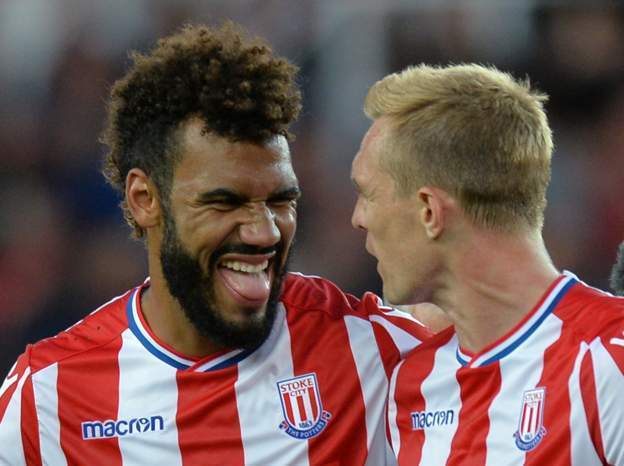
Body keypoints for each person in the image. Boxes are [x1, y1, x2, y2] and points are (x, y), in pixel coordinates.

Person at [0, 23, 432, 465]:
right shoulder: (48, 399)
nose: (264, 232)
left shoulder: (373, 351)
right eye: (225, 202)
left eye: (280, 201)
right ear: (145, 199)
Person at [350, 64, 624, 465]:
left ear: (429, 211)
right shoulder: (413, 383)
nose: (358, 218)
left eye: (368, 194)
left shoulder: (608, 361)